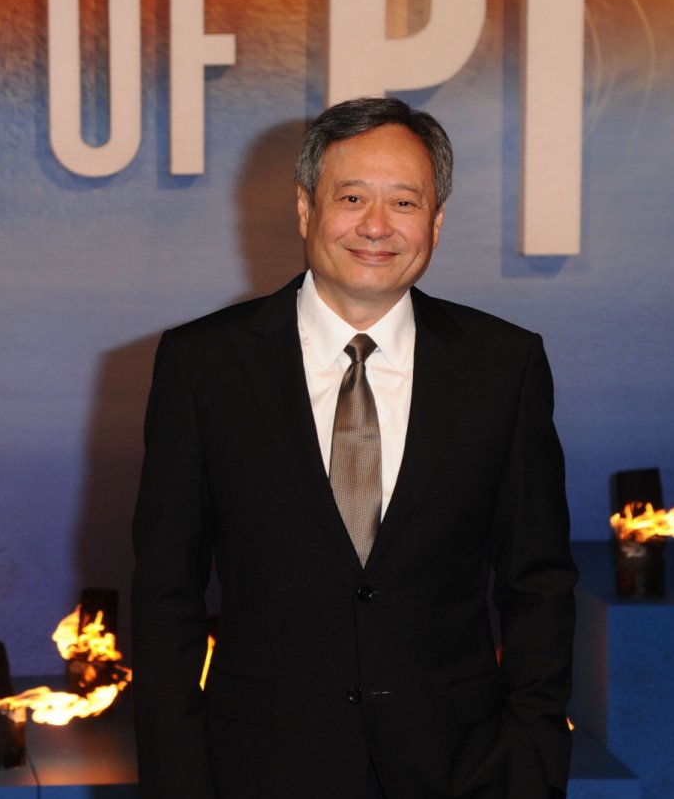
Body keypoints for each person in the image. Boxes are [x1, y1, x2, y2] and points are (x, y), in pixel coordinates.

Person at [131, 97, 576, 798]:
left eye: (404, 201)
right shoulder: (205, 366)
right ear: (306, 210)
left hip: (463, 768)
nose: (376, 226)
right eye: (352, 198)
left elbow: (539, 583)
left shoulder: (503, 366)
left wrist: (534, 758)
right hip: (261, 767)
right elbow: (165, 595)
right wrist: (177, 777)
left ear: (436, 221)